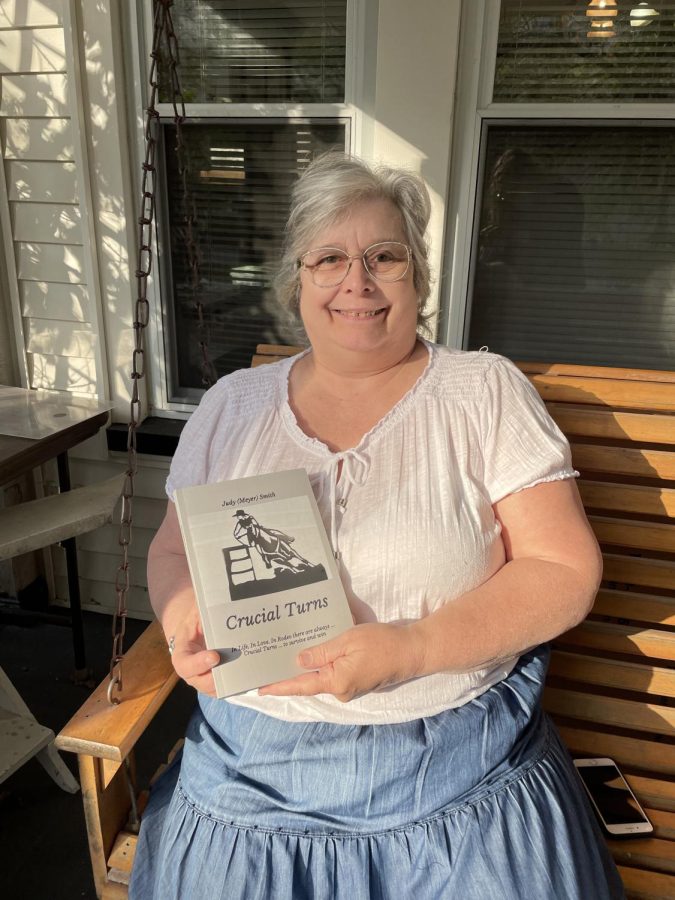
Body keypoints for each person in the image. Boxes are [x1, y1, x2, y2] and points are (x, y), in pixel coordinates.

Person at [130, 152, 625, 899]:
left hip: (450, 764)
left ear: (417, 278)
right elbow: (173, 550)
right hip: (248, 769)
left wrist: (412, 647)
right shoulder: (234, 404)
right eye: (328, 258)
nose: (355, 281)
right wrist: (182, 621)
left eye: (383, 257)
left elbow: (562, 571)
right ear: (296, 281)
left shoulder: (480, 391)